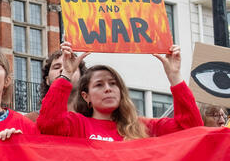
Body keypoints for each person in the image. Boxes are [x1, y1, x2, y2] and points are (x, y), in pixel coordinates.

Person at [36, 41, 201, 141]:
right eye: (99, 85)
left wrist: (174, 76)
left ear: (121, 91)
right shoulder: (77, 125)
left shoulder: (143, 127)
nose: (108, 89)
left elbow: (191, 129)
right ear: (86, 96)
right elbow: (48, 124)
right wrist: (66, 74)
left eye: (113, 84)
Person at [29, 47, 86, 122]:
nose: (64, 69)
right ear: (47, 80)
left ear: (82, 78)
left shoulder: (93, 120)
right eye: (56, 67)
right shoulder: (29, 120)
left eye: (72, 66)